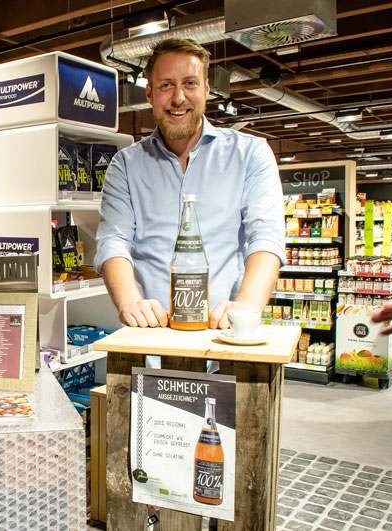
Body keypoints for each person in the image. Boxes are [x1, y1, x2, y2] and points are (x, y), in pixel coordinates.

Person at [94, 38, 285, 330]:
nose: (179, 98)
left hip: (225, 340)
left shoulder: (250, 154)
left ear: (207, 89)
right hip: (151, 341)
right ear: (149, 93)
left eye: (190, 84)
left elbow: (265, 237)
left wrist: (247, 306)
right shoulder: (125, 165)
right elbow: (114, 241)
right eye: (166, 85)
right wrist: (129, 301)